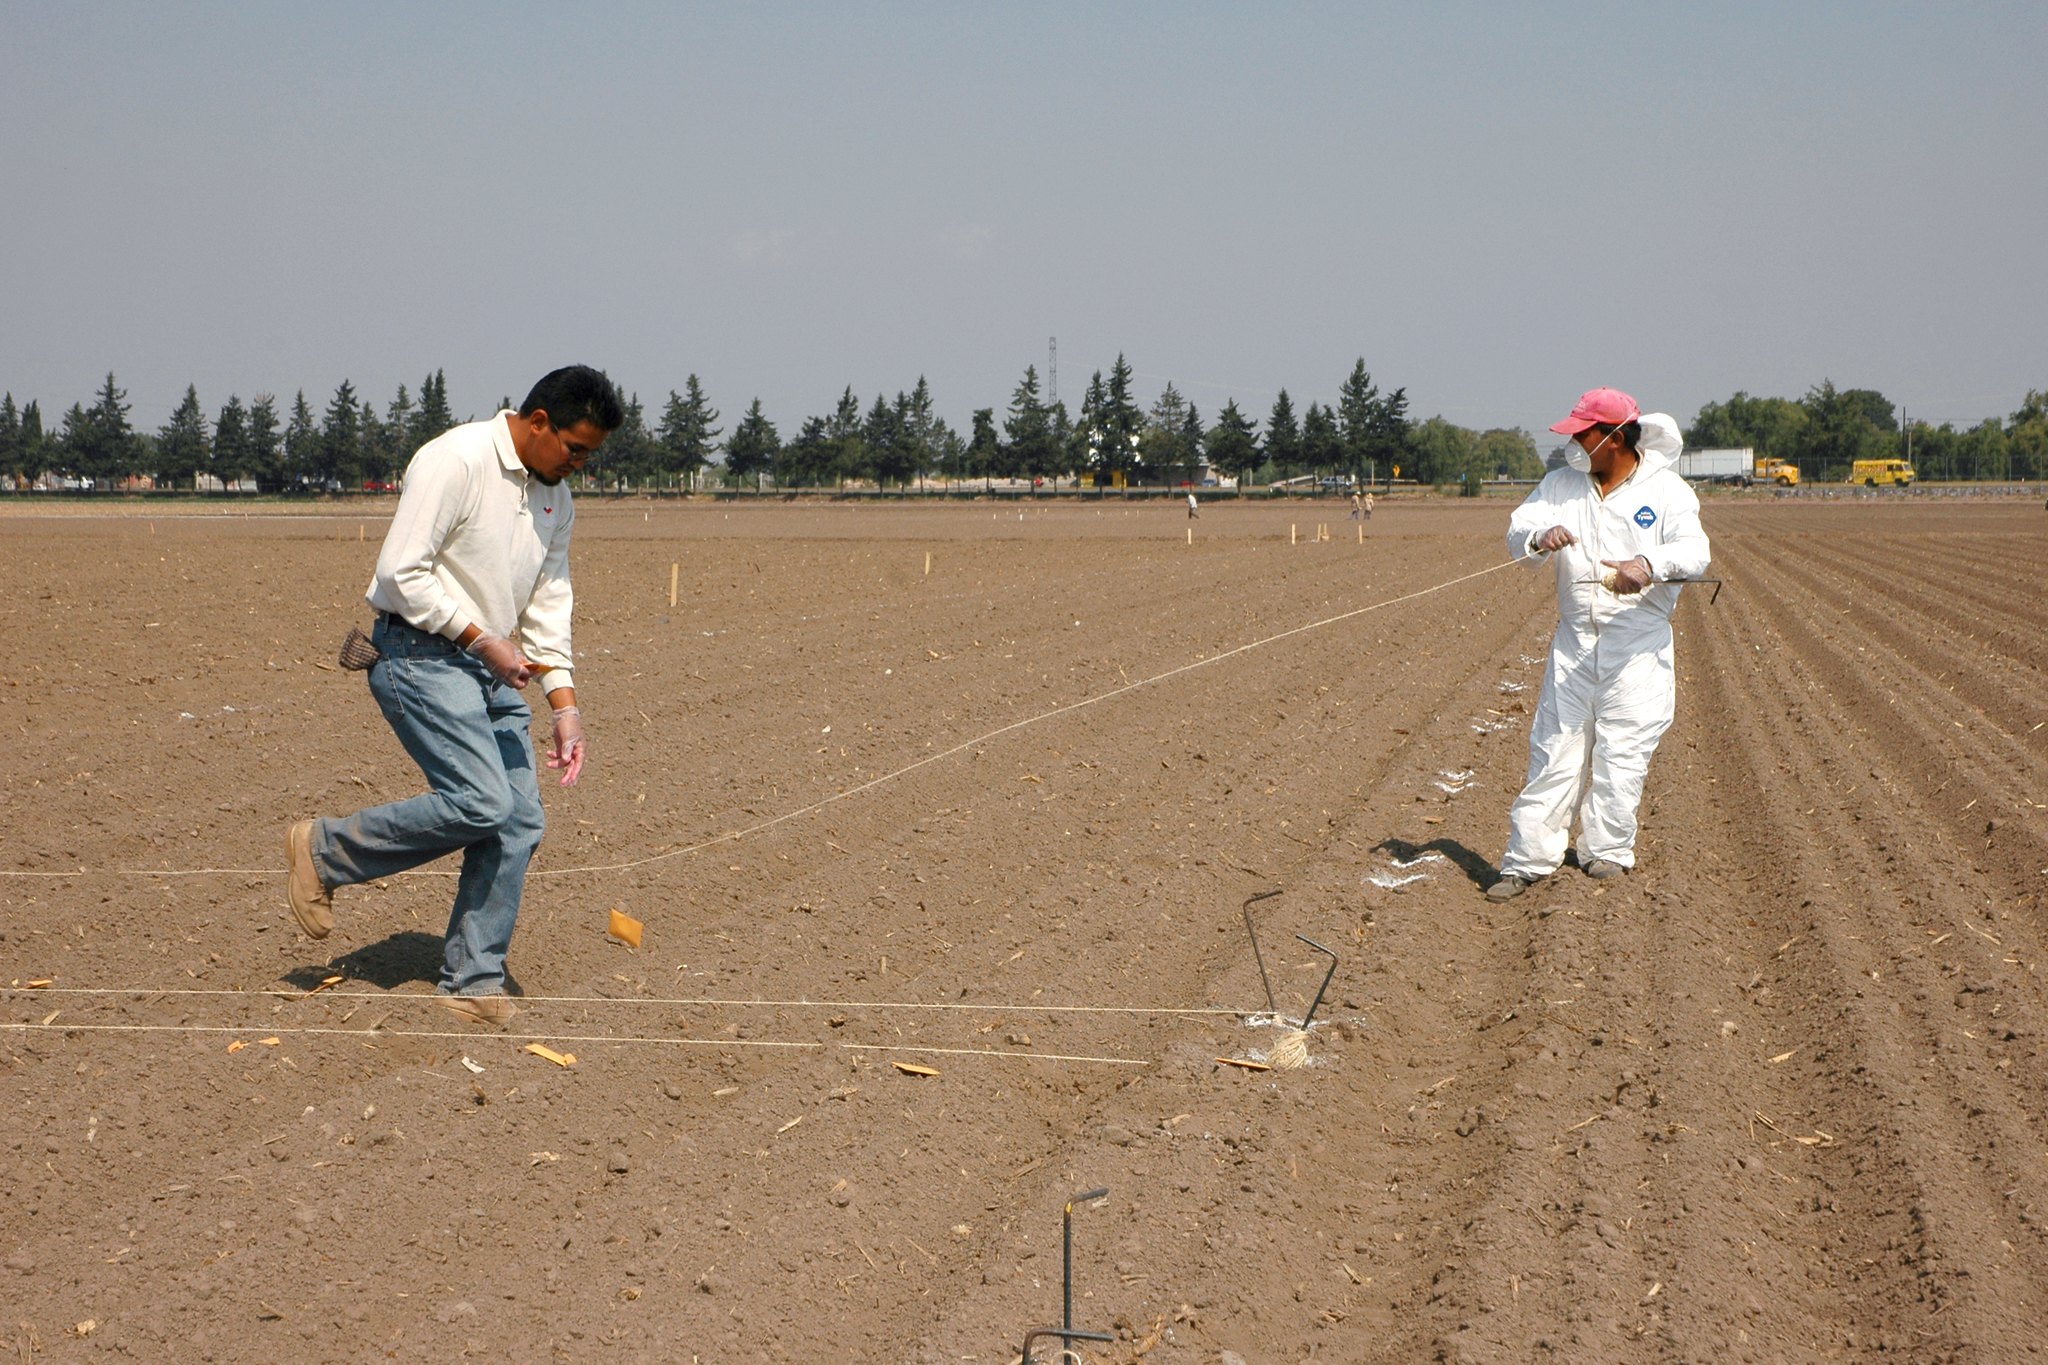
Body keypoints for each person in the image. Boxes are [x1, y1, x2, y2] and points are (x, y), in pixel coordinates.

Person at [284, 365, 623, 1024]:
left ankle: (472, 981)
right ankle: (322, 849)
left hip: (487, 669)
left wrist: (565, 704)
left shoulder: (557, 499)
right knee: (484, 800)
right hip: (418, 656)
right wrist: (480, 637)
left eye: (591, 455)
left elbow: (551, 602)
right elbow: (399, 570)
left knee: (520, 821)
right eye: (575, 448)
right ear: (540, 422)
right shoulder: (455, 460)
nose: (580, 463)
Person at [1486, 387, 1711, 901]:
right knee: (1554, 748)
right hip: (1574, 641)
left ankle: (1607, 850)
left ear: (1612, 438)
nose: (1575, 441)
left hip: (1636, 644)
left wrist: (1648, 567)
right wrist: (1540, 539)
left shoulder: (1668, 492)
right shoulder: (1561, 484)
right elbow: (1519, 529)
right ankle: (1528, 858)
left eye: (1583, 433)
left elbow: (1694, 551)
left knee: (1623, 749)